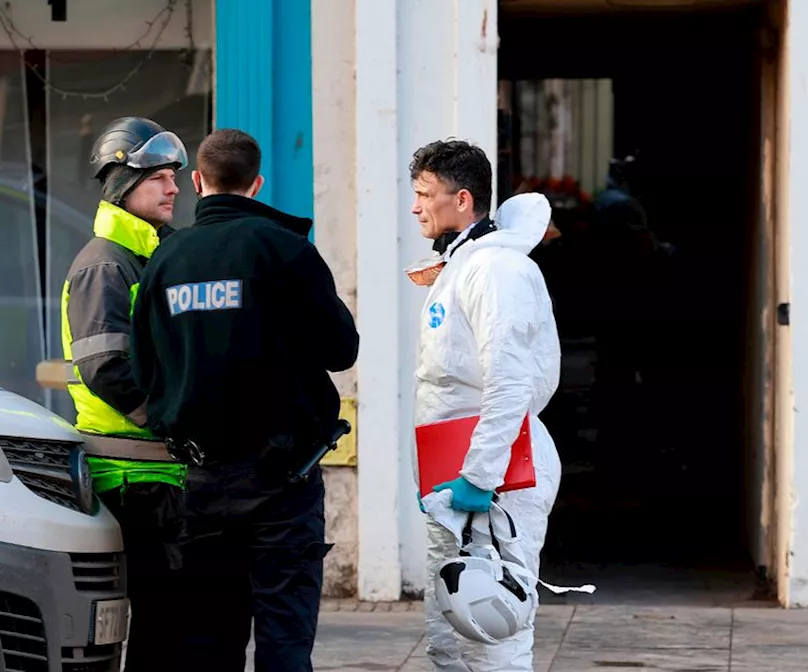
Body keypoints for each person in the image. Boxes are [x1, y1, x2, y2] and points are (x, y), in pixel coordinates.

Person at [129, 128, 359, 671]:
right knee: (284, 635)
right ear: (257, 183)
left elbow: (144, 370)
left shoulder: (166, 260)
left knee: (209, 639)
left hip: (201, 480)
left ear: (197, 181)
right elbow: (341, 349)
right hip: (284, 480)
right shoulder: (285, 249)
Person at [408, 139, 562, 671]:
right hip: (457, 479)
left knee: (493, 626)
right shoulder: (465, 267)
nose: (416, 206)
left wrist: (481, 474)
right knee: (449, 631)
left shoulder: (496, 271)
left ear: (464, 200)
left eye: (425, 193)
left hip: (498, 481)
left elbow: (510, 382)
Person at [59, 115, 189, 669]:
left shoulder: (151, 255)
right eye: (159, 176)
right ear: (121, 183)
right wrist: (169, 420)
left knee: (169, 625)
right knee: (159, 624)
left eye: (174, 176)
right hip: (131, 478)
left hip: (159, 475)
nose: (174, 187)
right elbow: (106, 366)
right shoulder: (105, 265)